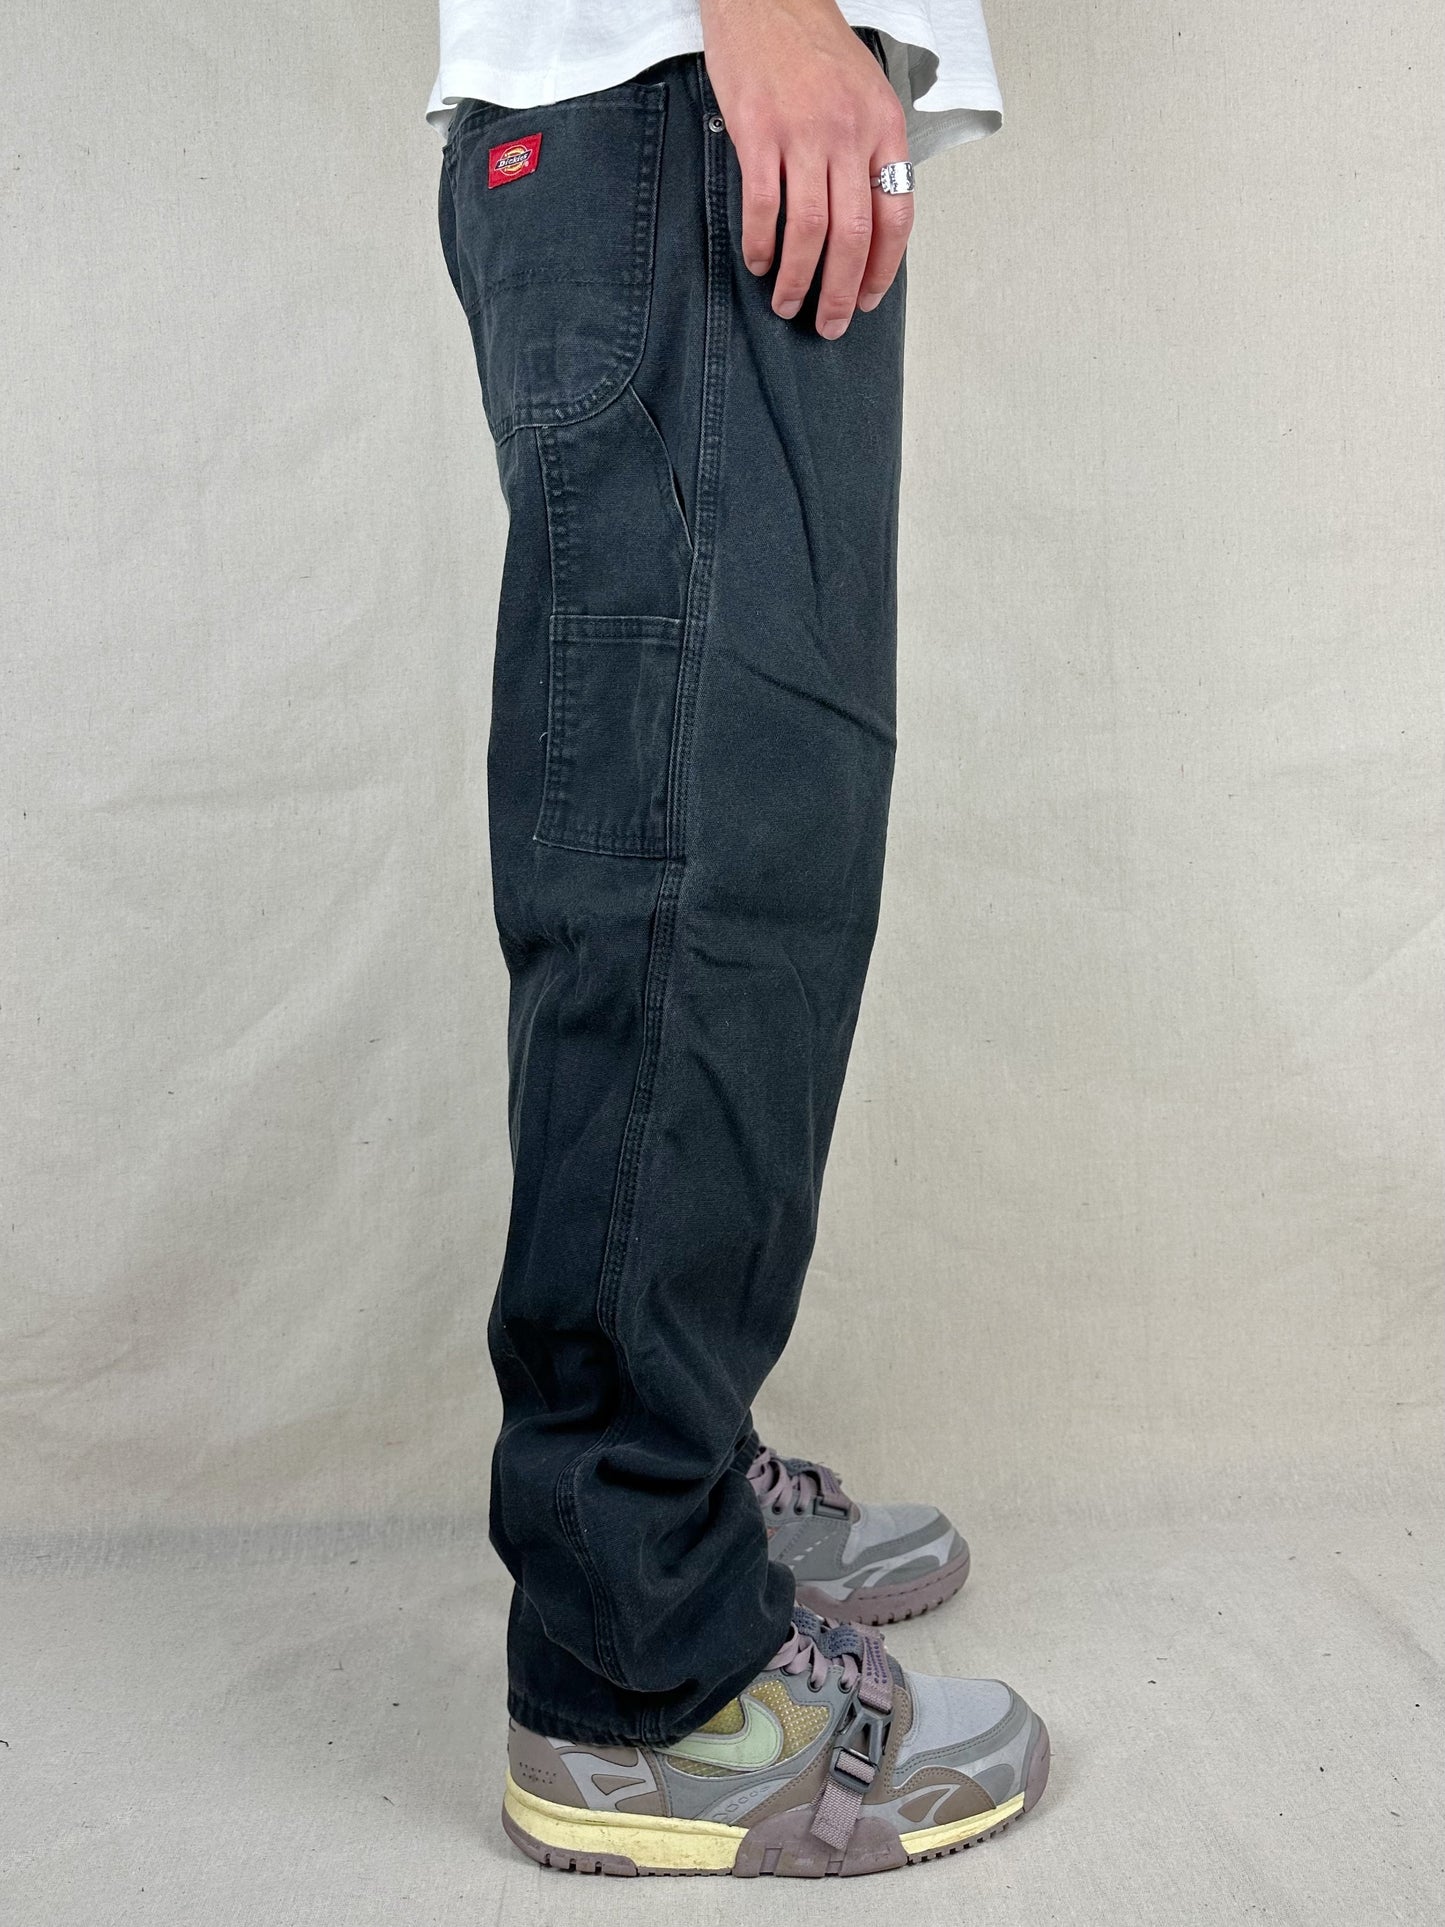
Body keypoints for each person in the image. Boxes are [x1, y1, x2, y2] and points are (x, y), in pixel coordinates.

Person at [431, 0, 1050, 1877]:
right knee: (682, 878)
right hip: (676, 103)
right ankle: (642, 1675)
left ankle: (680, 1485)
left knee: (752, 859)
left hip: (696, 122)